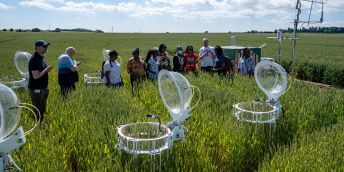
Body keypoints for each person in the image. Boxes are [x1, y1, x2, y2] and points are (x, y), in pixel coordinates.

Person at [28, 40, 53, 122]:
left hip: (43, 88)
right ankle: (37, 127)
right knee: (38, 110)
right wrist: (46, 70)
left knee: (42, 108)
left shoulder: (40, 58)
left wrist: (46, 70)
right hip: (36, 89)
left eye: (47, 46)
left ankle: (41, 124)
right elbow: (35, 76)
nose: (46, 48)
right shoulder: (34, 59)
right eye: (44, 46)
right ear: (37, 48)